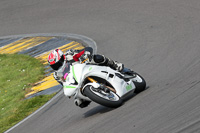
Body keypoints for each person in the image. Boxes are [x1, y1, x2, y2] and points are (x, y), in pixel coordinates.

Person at [47, 47, 125, 85]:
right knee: (80, 103)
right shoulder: (57, 75)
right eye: (54, 66)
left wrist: (86, 54)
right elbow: (65, 86)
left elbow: (87, 49)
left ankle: (114, 65)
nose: (57, 67)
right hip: (79, 83)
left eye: (58, 64)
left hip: (88, 68)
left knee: (96, 58)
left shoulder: (70, 55)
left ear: (63, 57)